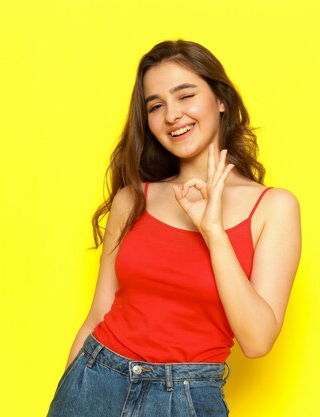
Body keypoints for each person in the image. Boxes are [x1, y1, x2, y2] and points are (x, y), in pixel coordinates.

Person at [46, 39, 301, 417]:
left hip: (185, 398)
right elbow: (98, 315)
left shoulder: (273, 207)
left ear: (221, 99)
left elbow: (258, 341)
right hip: (95, 380)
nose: (172, 115)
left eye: (185, 95)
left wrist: (213, 231)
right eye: (156, 105)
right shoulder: (133, 199)